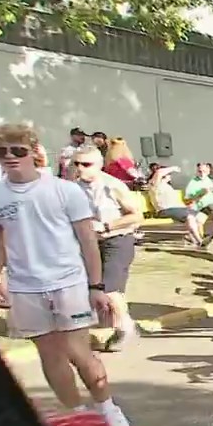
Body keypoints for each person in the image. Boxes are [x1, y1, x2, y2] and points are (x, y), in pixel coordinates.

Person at [0, 125, 130, 426]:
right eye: (0, 152)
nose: (10, 157)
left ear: (33, 151)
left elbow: (88, 242)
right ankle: (79, 416)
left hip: (67, 282)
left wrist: (96, 286)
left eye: (18, 150)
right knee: (50, 354)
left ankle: (107, 407)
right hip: (25, 287)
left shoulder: (63, 190)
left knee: (78, 351)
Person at [71, 146, 145, 351]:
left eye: (86, 164)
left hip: (117, 239)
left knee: (111, 289)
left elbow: (137, 215)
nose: (80, 168)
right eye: (76, 163)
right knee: (93, 287)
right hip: (90, 242)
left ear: (99, 165)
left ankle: (125, 328)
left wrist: (106, 225)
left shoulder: (113, 186)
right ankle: (110, 322)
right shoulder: (73, 187)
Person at [182, 162, 213, 246]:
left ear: (208, 171)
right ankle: (202, 239)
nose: (202, 173)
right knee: (198, 220)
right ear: (197, 171)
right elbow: (187, 199)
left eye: (204, 171)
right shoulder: (193, 182)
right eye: (200, 171)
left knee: (200, 220)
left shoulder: (210, 181)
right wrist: (200, 194)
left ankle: (203, 238)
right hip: (203, 206)